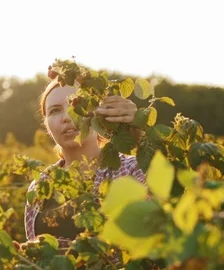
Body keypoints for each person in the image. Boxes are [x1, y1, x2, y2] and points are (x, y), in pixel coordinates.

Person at [24, 76, 147, 246]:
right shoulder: (39, 185)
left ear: (98, 115)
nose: (66, 116)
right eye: (54, 110)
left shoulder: (131, 170)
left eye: (77, 104)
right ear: (47, 126)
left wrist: (141, 132)